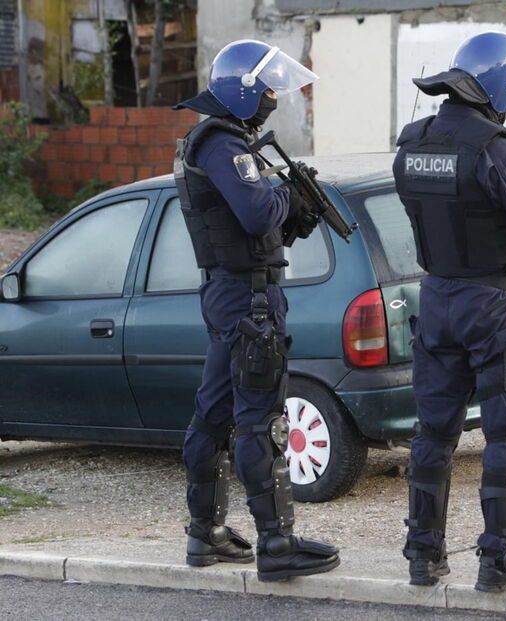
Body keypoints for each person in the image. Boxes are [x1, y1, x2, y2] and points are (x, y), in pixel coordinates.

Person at [393, 31, 506, 592]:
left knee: (433, 434)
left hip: (438, 298)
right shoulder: (498, 151)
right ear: (500, 86)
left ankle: (423, 556)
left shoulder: (414, 144)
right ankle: (499, 558)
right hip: (494, 305)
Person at [173, 39, 339, 582]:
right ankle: (277, 544)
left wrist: (289, 212)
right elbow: (254, 210)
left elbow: (255, 218)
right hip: (249, 299)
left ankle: (206, 533)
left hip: (234, 293)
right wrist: (290, 198)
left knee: (214, 412)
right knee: (259, 421)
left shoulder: (216, 140)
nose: (272, 97)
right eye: (266, 87)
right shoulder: (223, 144)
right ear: (241, 91)